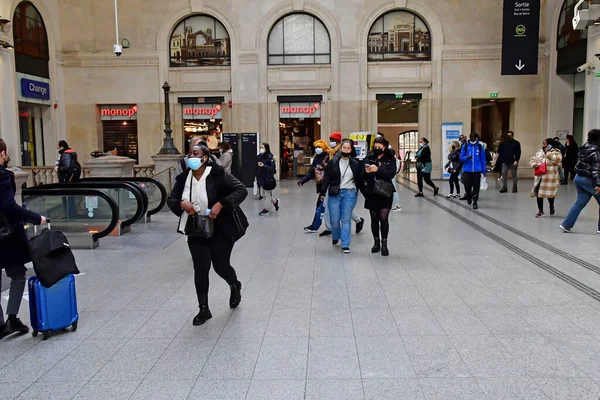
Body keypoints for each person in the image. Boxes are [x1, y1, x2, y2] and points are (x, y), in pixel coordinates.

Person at [168, 144, 248, 326]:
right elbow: (171, 198)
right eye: (189, 154)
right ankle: (204, 309)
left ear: (205, 157)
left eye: (195, 154)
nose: (191, 157)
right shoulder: (183, 178)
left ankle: (234, 284)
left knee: (220, 265)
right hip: (195, 229)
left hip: (220, 228)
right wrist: (182, 204)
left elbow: (241, 190)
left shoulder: (218, 175)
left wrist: (221, 204)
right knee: (201, 267)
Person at [0, 139, 47, 339]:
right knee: (18, 274)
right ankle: (12, 318)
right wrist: (37, 218)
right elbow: (9, 206)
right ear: (2, 153)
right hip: (6, 236)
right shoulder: (2, 177)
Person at [320, 139, 363, 253]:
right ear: (341, 149)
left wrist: (365, 193)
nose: (346, 150)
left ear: (351, 150)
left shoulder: (355, 164)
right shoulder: (333, 162)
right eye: (344, 148)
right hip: (335, 193)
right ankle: (335, 236)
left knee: (346, 219)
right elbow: (327, 178)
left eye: (348, 148)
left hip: (350, 193)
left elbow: (360, 180)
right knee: (334, 220)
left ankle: (345, 244)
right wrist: (322, 192)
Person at [560, 129, 600, 234]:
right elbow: (596, 169)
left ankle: (566, 224)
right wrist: (598, 184)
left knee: (580, 202)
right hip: (589, 180)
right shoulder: (596, 151)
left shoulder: (584, 148)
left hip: (579, 178)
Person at [362, 137, 396, 256]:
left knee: (383, 218)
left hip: (385, 192)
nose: (377, 149)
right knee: (374, 218)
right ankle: (376, 242)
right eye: (375, 147)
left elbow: (391, 173)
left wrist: (377, 170)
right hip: (372, 191)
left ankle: (385, 243)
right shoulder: (370, 157)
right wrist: (366, 171)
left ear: (384, 147)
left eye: (379, 147)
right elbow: (363, 172)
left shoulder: (390, 158)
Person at [298, 140, 330, 233]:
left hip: (329, 186)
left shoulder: (329, 157)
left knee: (321, 206)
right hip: (322, 186)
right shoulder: (316, 158)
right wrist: (302, 181)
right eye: (316, 147)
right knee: (323, 207)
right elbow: (311, 172)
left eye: (320, 147)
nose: (318, 149)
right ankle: (358, 220)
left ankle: (315, 226)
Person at [529, 138, 562, 218]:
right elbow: (533, 159)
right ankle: (540, 211)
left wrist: (548, 153)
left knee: (549, 194)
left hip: (550, 177)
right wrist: (533, 164)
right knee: (539, 193)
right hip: (540, 176)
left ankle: (551, 206)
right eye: (543, 143)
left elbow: (558, 160)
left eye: (545, 144)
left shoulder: (556, 152)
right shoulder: (540, 152)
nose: (543, 145)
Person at [460, 132, 487, 209]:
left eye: (473, 137)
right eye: (471, 137)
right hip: (467, 170)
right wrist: (466, 158)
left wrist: (483, 171)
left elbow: (482, 159)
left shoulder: (479, 147)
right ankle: (468, 195)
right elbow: (461, 157)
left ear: (476, 138)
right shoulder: (465, 146)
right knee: (467, 185)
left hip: (477, 170)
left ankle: (475, 201)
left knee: (476, 187)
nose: (472, 139)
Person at [256, 143, 279, 216]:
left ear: (266, 148)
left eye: (262, 148)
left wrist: (264, 166)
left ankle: (266, 209)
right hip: (260, 177)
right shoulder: (259, 157)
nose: (261, 149)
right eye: (260, 147)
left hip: (267, 178)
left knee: (266, 194)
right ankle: (275, 202)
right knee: (263, 194)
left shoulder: (270, 157)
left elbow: (272, 169)